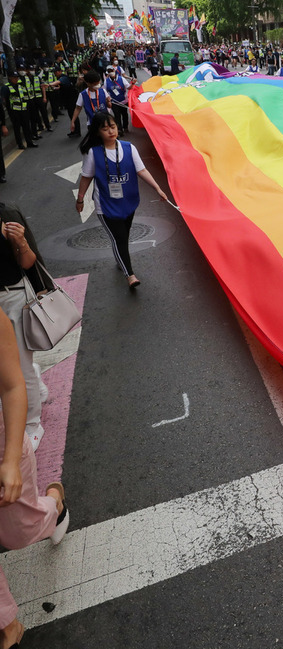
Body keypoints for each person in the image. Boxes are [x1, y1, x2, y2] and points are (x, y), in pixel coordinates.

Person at [0, 253, 69, 649]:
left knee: (18, 533)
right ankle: (8, 623)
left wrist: (10, 460)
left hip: (4, 446)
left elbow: (13, 387)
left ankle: (55, 502)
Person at [75, 112, 170, 290]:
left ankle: (121, 259)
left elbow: (141, 170)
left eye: (113, 127)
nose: (110, 131)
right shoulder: (93, 153)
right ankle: (130, 274)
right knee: (118, 238)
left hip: (128, 203)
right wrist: (80, 199)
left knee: (123, 236)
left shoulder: (129, 148)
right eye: (105, 129)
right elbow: (86, 177)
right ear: (97, 132)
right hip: (106, 205)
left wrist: (157, 188)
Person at [0, 202, 57, 451]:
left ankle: (33, 426)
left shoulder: (6, 215)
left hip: (12, 298)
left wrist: (20, 241)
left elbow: (30, 261)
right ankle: (34, 373)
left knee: (20, 371)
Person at [2, 70, 34, 150]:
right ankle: (20, 144)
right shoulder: (6, 87)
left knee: (26, 126)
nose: (16, 79)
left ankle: (29, 142)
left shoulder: (20, 85)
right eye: (14, 78)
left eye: (16, 78)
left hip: (23, 109)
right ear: (9, 78)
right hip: (14, 111)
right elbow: (4, 100)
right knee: (17, 128)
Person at [104, 66, 129, 136]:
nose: (111, 73)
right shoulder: (106, 81)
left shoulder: (122, 79)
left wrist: (133, 83)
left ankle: (125, 127)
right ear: (108, 73)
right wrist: (108, 99)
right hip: (114, 102)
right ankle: (119, 129)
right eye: (109, 71)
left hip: (124, 101)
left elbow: (128, 87)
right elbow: (105, 91)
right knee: (117, 115)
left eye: (112, 71)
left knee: (124, 114)